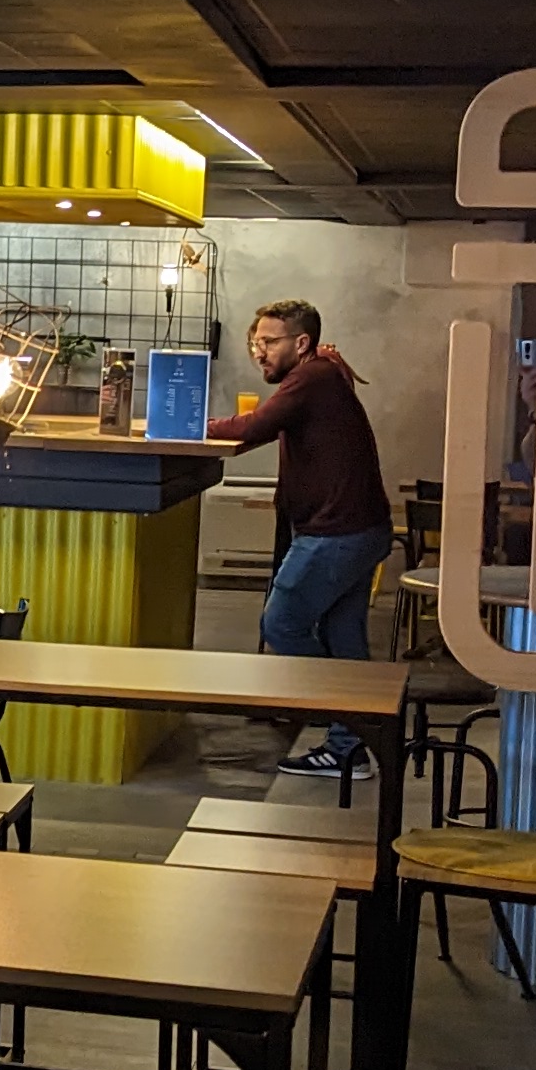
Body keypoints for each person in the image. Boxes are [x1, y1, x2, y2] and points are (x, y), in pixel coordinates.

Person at [222, 296, 389, 777]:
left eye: (269, 342)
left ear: (301, 342)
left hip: (335, 534)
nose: (259, 351)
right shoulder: (324, 372)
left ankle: (350, 718)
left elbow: (255, 426)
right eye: (255, 342)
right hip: (360, 529)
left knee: (282, 624)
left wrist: (187, 427)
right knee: (344, 639)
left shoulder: (311, 377)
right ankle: (349, 748)